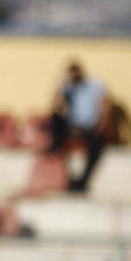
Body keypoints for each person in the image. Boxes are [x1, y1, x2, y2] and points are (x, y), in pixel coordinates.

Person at [46, 61, 112, 194]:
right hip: (74, 127)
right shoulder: (69, 89)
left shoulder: (95, 85)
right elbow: (56, 105)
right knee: (55, 118)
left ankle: (83, 181)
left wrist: (101, 126)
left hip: (90, 127)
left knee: (95, 148)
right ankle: (55, 148)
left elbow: (105, 106)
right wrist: (61, 85)